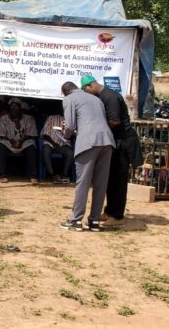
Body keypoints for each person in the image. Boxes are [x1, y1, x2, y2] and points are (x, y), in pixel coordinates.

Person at [81, 75, 142, 227]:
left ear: (90, 86)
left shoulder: (109, 97)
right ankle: (109, 211)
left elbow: (114, 121)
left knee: (119, 181)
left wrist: (94, 126)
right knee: (110, 179)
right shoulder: (103, 96)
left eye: (85, 90)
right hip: (114, 142)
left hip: (123, 142)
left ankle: (117, 215)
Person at [58, 82, 116, 232]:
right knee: (100, 183)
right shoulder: (95, 98)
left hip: (88, 142)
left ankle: (75, 220)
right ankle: (94, 221)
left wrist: (65, 133)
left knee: (83, 182)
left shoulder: (69, 99)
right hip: (107, 141)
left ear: (65, 92)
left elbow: (70, 126)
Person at [0, 97, 39, 183]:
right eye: (11, 107)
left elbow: (32, 134)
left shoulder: (29, 118)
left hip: (24, 142)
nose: (13, 109)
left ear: (20, 108)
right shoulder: (4, 118)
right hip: (8, 142)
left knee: (31, 146)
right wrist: (11, 141)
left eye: (16, 107)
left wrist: (21, 141)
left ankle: (33, 175)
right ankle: (3, 175)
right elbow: (0, 134)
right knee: (0, 146)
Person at [39, 109, 73, 185]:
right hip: (50, 142)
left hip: (62, 144)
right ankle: (52, 175)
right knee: (46, 150)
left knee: (70, 153)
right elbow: (45, 134)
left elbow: (70, 136)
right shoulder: (51, 118)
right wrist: (54, 144)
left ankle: (64, 175)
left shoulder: (69, 120)